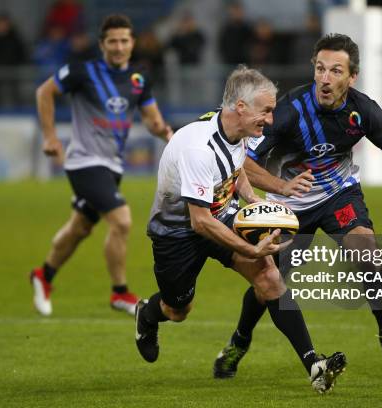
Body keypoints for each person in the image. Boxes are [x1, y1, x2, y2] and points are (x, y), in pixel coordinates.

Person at [213, 34, 382, 377]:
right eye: (320, 68)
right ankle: (238, 343)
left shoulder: (362, 110)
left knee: (366, 249)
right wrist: (280, 186)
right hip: (288, 205)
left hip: (338, 195)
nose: (325, 77)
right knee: (268, 282)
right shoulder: (289, 110)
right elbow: (243, 163)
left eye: (336, 71)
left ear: (352, 78)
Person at [135, 66, 347, 394]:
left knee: (270, 278)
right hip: (177, 233)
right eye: (266, 111)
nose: (271, 120)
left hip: (220, 213)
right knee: (178, 310)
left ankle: (314, 366)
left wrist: (253, 201)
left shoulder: (239, 131)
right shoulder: (198, 150)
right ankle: (147, 314)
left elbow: (238, 167)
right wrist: (250, 249)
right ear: (241, 107)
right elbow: (199, 221)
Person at [30, 14, 173, 317]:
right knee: (121, 221)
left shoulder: (138, 78)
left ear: (132, 43)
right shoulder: (83, 71)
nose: (119, 47)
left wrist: (166, 133)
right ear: (102, 44)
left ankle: (44, 275)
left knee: (79, 228)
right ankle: (120, 293)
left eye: (124, 40)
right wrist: (51, 136)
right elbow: (45, 92)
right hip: (84, 162)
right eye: (113, 41)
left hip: (112, 166)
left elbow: (152, 119)